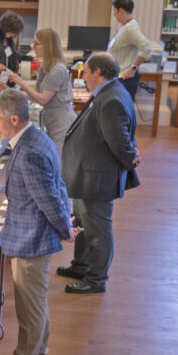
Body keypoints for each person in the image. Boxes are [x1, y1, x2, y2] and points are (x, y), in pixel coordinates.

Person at [0, 89, 76, 355]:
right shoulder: (32, 139)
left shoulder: (31, 151)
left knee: (29, 307)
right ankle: (40, 353)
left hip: (32, 238)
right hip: (30, 233)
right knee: (35, 301)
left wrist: (65, 229)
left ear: (13, 118)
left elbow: (49, 198)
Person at [58, 52, 138, 294]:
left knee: (97, 230)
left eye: (86, 72)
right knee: (83, 222)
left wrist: (131, 158)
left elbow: (119, 140)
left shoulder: (111, 97)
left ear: (97, 72)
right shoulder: (109, 92)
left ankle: (96, 278)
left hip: (97, 177)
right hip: (88, 174)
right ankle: (80, 265)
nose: (83, 77)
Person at [4, 27, 76, 152]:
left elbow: (43, 99)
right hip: (50, 118)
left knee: (58, 161)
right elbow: (35, 95)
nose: (33, 46)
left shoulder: (58, 69)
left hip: (61, 121)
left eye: (36, 43)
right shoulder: (45, 67)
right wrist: (11, 92)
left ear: (47, 46)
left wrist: (22, 83)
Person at [108, 0, 152, 98]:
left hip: (124, 79)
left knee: (120, 112)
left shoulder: (130, 28)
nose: (114, 14)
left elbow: (146, 48)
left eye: (115, 10)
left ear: (121, 11)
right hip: (118, 77)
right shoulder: (126, 27)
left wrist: (133, 68)